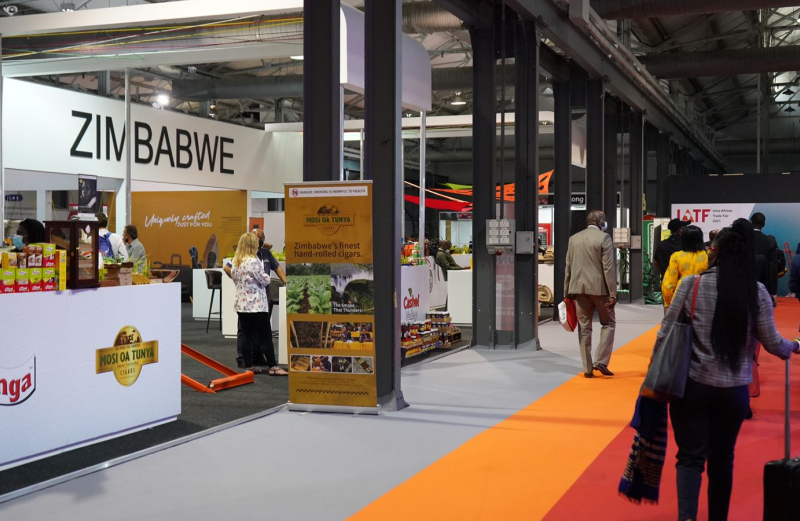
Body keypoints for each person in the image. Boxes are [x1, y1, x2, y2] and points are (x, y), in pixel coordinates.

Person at [656, 219, 799, 521]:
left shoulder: (690, 285)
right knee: (723, 459)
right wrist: (796, 345)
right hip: (733, 391)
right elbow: (773, 343)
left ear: (715, 252)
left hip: (691, 386)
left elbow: (665, 332)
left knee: (689, 458)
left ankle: (687, 517)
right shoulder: (756, 292)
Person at [564, 210, 617, 378]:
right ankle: (600, 361)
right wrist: (613, 292)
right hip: (599, 289)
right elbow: (608, 268)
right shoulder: (604, 238)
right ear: (600, 222)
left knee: (584, 328)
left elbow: (568, 266)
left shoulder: (574, 239)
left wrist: (567, 291)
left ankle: (587, 368)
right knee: (608, 323)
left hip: (578, 289)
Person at [225, 229, 287, 371]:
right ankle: (273, 366)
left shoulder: (236, 261)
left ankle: (249, 366)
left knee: (246, 335)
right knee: (265, 335)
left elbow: (233, 275)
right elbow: (265, 280)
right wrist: (265, 277)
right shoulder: (253, 261)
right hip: (257, 304)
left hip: (241, 304)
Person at [661, 225, 709, 308]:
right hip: (704, 297)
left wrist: (668, 304)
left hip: (682, 297)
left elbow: (669, 283)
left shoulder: (677, 256)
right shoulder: (708, 256)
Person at [751, 212, 782, 299]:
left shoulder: (741, 239)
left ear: (750, 222)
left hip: (744, 283)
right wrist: (773, 291)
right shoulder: (770, 241)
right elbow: (772, 267)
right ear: (763, 225)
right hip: (763, 285)